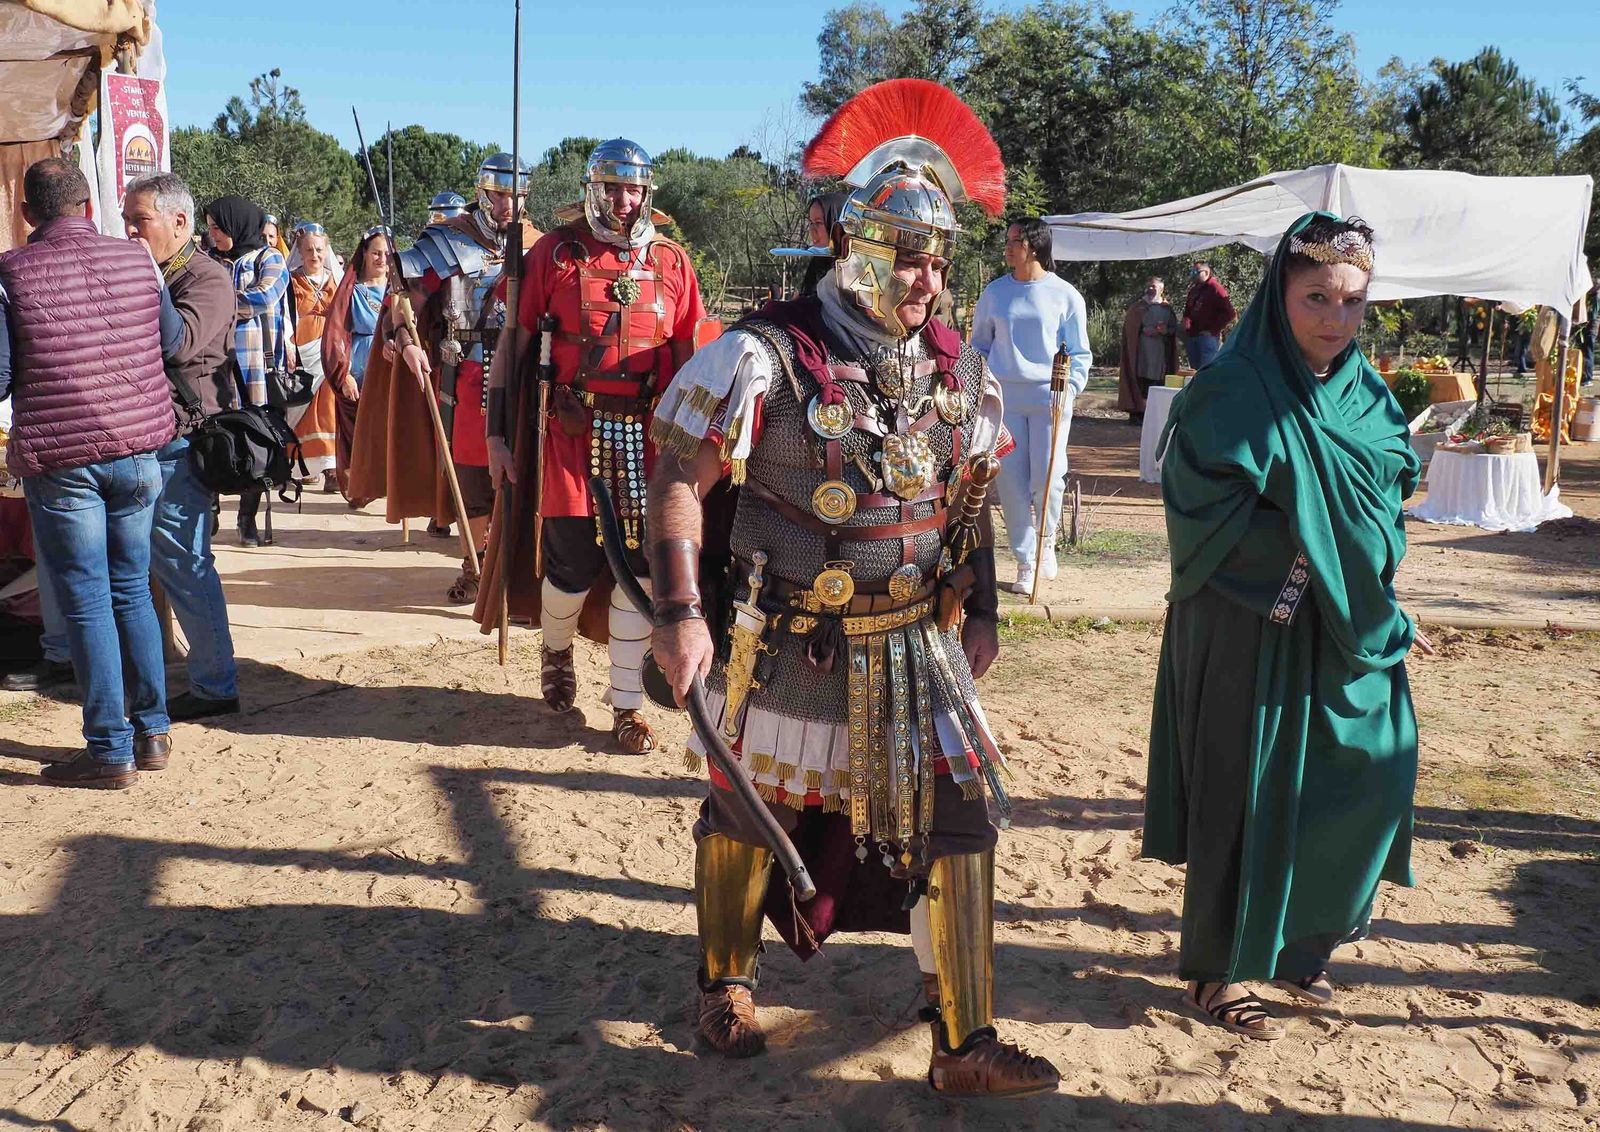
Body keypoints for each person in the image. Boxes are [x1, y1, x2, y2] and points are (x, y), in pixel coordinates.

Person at [646, 79, 1059, 1097]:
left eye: (937, 258)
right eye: (905, 254)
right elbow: (676, 481)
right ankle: (722, 985)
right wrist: (680, 610)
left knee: (961, 820)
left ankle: (962, 1043)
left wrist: (988, 604)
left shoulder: (959, 370)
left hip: (919, 645)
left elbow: (968, 502)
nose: (924, 278)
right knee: (750, 811)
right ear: (853, 243)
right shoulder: (764, 355)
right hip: (797, 641)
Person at [1144, 213, 1431, 1042]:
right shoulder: (1231, 391)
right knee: (1246, 792)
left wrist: (1356, 564)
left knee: (1363, 776)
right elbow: (1199, 514)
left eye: (1352, 301)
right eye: (1316, 297)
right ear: (1280, 294)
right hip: (1251, 626)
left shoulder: (1369, 395)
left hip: (1345, 628)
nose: (1335, 319)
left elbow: (1385, 504)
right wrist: (1308, 563)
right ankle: (1215, 968)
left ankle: (1303, 943)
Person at [480, 139, 704, 756]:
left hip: (648, 439)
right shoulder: (552, 253)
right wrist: (499, 433)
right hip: (571, 433)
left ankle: (627, 706)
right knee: (572, 564)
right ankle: (555, 651)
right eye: (612, 187)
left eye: (633, 189)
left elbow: (688, 361)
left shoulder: (673, 262)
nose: (623, 200)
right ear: (592, 188)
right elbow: (514, 350)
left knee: (639, 571)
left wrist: (691, 446)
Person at [0, 158, 177, 787]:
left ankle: (109, 749)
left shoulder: (12, 272)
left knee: (87, 600)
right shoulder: (138, 260)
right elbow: (172, 338)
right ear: (88, 206)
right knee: (130, 589)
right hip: (137, 451)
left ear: (27, 215)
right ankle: (152, 732)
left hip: (64, 459)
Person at [376, 154, 537, 600]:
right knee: (472, 476)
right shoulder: (448, 240)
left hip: (524, 377)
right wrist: (407, 341)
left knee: (525, 473)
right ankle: (477, 565)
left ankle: (514, 569)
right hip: (466, 372)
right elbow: (404, 300)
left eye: (517, 196)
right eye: (500, 195)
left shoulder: (538, 245)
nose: (509, 205)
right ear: (483, 194)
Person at [122, 172, 244, 723]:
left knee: (187, 564)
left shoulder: (207, 278)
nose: (128, 231)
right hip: (146, 436)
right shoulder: (159, 272)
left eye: (139, 220)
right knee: (152, 562)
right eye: (126, 219)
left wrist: (143, 279)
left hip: (183, 441)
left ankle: (217, 686)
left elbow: (178, 344)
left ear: (179, 221)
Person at [970, 216, 1091, 595]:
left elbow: (1080, 351)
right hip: (1005, 399)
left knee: (1048, 479)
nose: (1007, 247)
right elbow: (979, 346)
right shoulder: (994, 293)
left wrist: (1069, 388)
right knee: (1009, 482)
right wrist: (979, 385)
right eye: (1007, 240)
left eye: (1015, 241)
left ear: (1035, 246)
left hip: (1050, 398)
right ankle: (1026, 560)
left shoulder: (1066, 294)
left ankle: (1046, 545)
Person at [205, 195, 293, 548]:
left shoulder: (268, 258)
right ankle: (209, 511)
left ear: (235, 225)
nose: (212, 235)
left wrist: (215, 304)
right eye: (209, 229)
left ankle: (248, 518)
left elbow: (263, 298)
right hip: (214, 368)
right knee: (211, 437)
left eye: (217, 228)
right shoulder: (209, 261)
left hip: (257, 367)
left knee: (257, 442)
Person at [321, 227, 391, 502]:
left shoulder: (397, 289)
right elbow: (336, 333)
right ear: (364, 253)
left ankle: (389, 487)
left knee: (388, 431)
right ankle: (358, 489)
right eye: (376, 253)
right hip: (359, 373)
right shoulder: (352, 291)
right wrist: (344, 375)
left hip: (391, 370)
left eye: (386, 254)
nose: (381, 259)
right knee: (359, 434)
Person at [289, 223, 341, 493]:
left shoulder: (337, 281)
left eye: (319, 249)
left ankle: (332, 468)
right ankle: (304, 468)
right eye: (309, 249)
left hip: (329, 352)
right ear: (300, 251)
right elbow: (284, 316)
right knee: (302, 412)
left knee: (330, 410)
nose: (315, 254)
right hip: (301, 352)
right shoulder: (291, 281)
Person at [1116, 277, 1178, 423]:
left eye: (1154, 287)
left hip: (1159, 353)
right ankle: (1137, 412)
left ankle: (1152, 414)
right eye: (1149, 286)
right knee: (1140, 379)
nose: (1151, 289)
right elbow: (1130, 329)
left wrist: (1164, 331)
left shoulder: (1166, 309)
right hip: (1140, 352)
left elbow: (1173, 329)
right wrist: (1143, 331)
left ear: (1161, 290)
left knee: (1156, 381)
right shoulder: (1137, 308)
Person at [1181, 262, 1235, 369]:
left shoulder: (1215, 288)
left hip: (1207, 337)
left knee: (1206, 370)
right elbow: (1188, 310)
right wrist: (1185, 320)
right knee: (1194, 372)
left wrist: (1213, 330)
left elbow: (1229, 313)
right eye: (1192, 272)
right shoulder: (1194, 290)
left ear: (1206, 272)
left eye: (1196, 272)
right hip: (1192, 336)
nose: (1193, 274)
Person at [798, 189, 847, 297]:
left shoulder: (853, 270)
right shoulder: (816, 265)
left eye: (819, 223)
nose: (812, 230)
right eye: (811, 222)